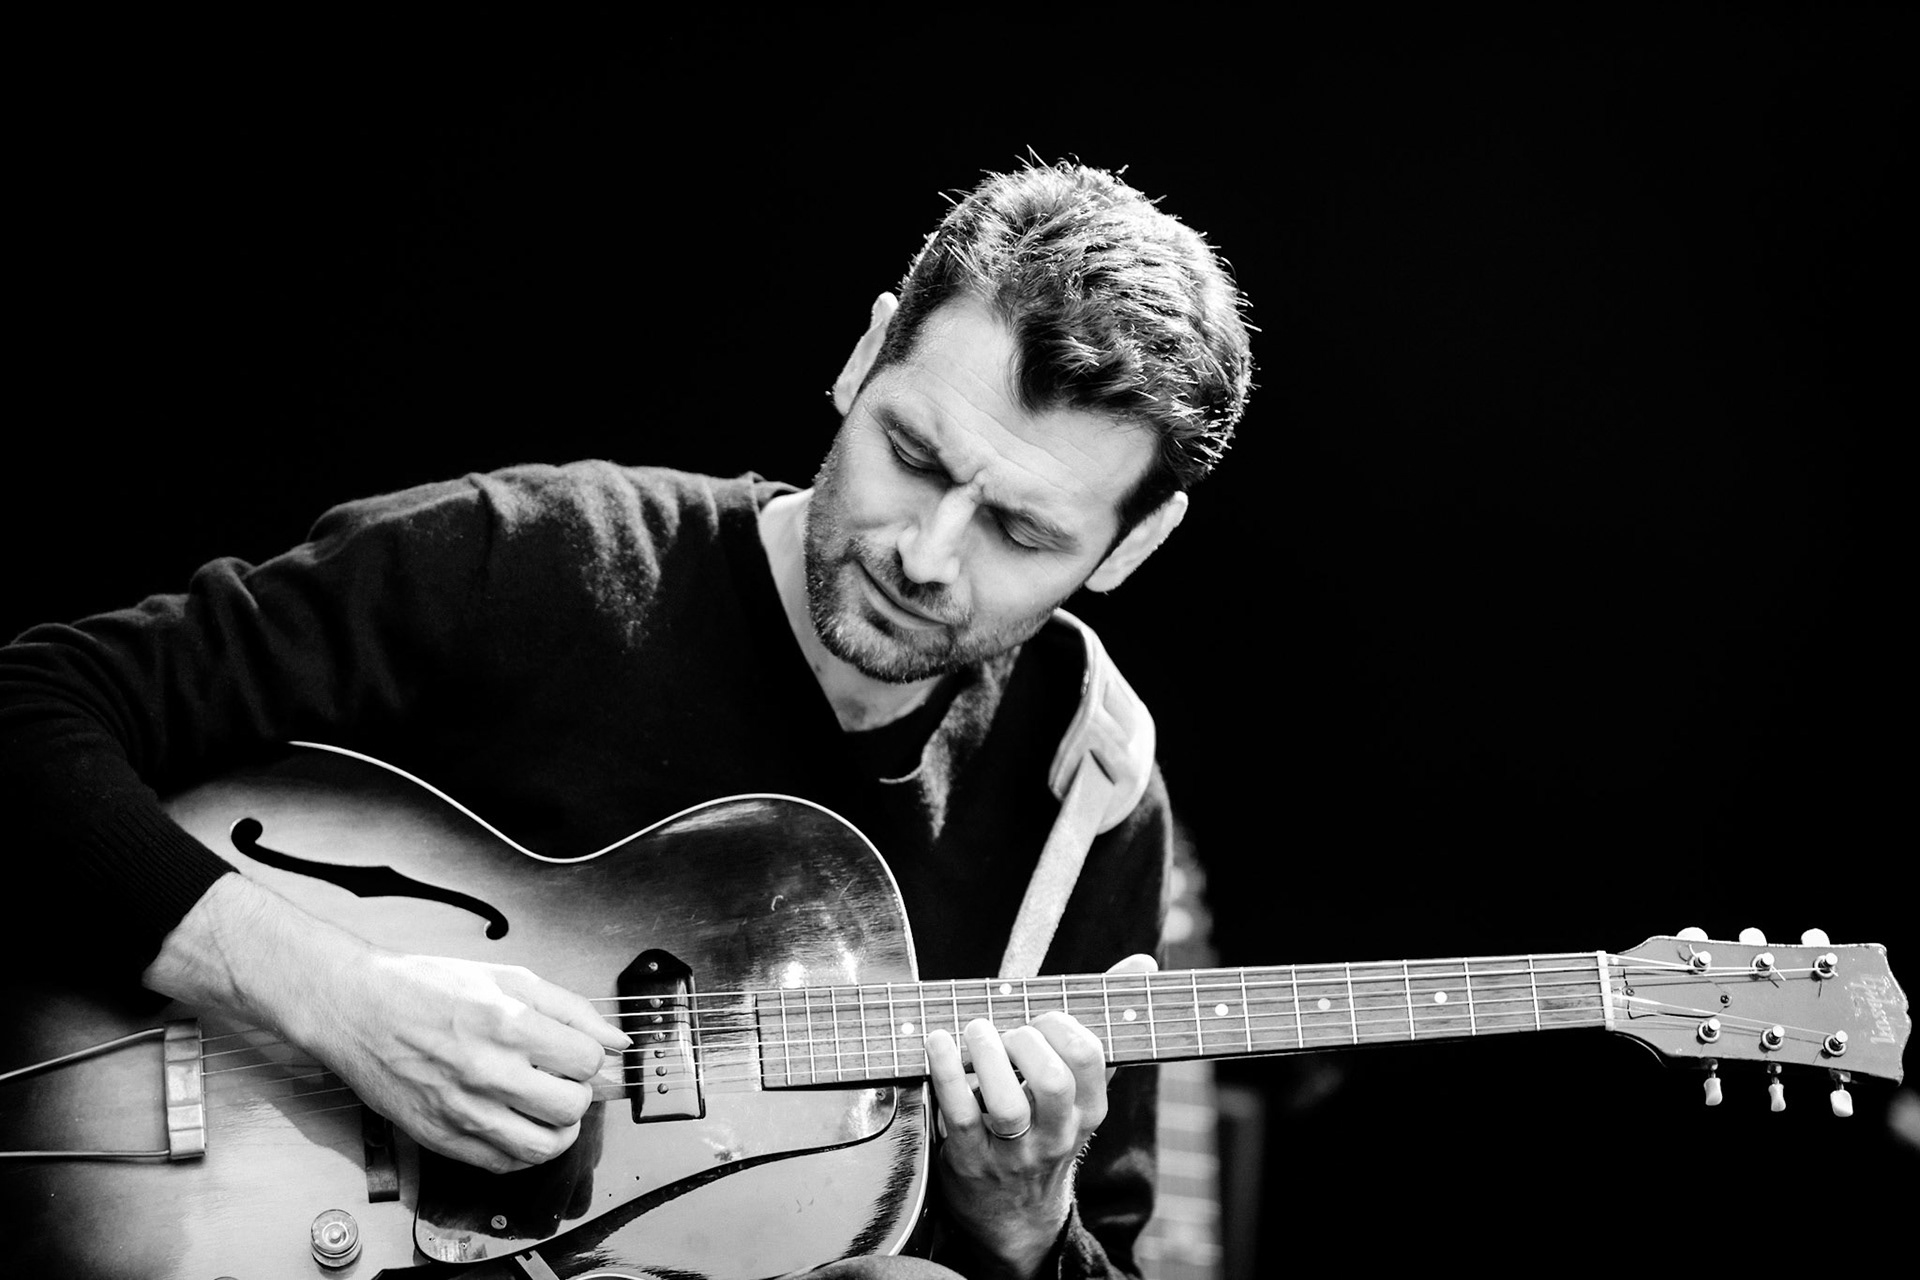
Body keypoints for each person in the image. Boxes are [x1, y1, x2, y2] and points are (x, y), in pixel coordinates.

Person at [0, 160, 1253, 1277]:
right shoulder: (543, 558)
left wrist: (1024, 1220)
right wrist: (339, 1001)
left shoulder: (1083, 787)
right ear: (864, 358)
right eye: (913, 453)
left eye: (1021, 530)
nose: (927, 552)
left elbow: (1106, 1253)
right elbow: (26, 708)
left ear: (1131, 544)